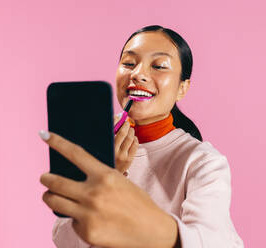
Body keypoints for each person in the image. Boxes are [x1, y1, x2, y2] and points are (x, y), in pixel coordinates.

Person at [39, 25, 244, 248]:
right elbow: (65, 241)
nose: (138, 74)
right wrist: (109, 171)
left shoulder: (202, 161)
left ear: (182, 89)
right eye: (128, 63)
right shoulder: (92, 147)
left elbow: (214, 242)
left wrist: (155, 229)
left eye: (159, 66)